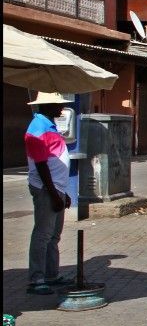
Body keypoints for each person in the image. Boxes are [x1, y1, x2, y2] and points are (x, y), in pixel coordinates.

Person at [24, 92, 74, 295]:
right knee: (43, 234)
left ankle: (51, 275)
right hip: (46, 189)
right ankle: (37, 279)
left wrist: (63, 192)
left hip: (56, 189)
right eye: (57, 104)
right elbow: (41, 165)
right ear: (46, 106)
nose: (61, 108)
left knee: (54, 235)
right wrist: (53, 193)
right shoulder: (37, 129)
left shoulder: (49, 125)